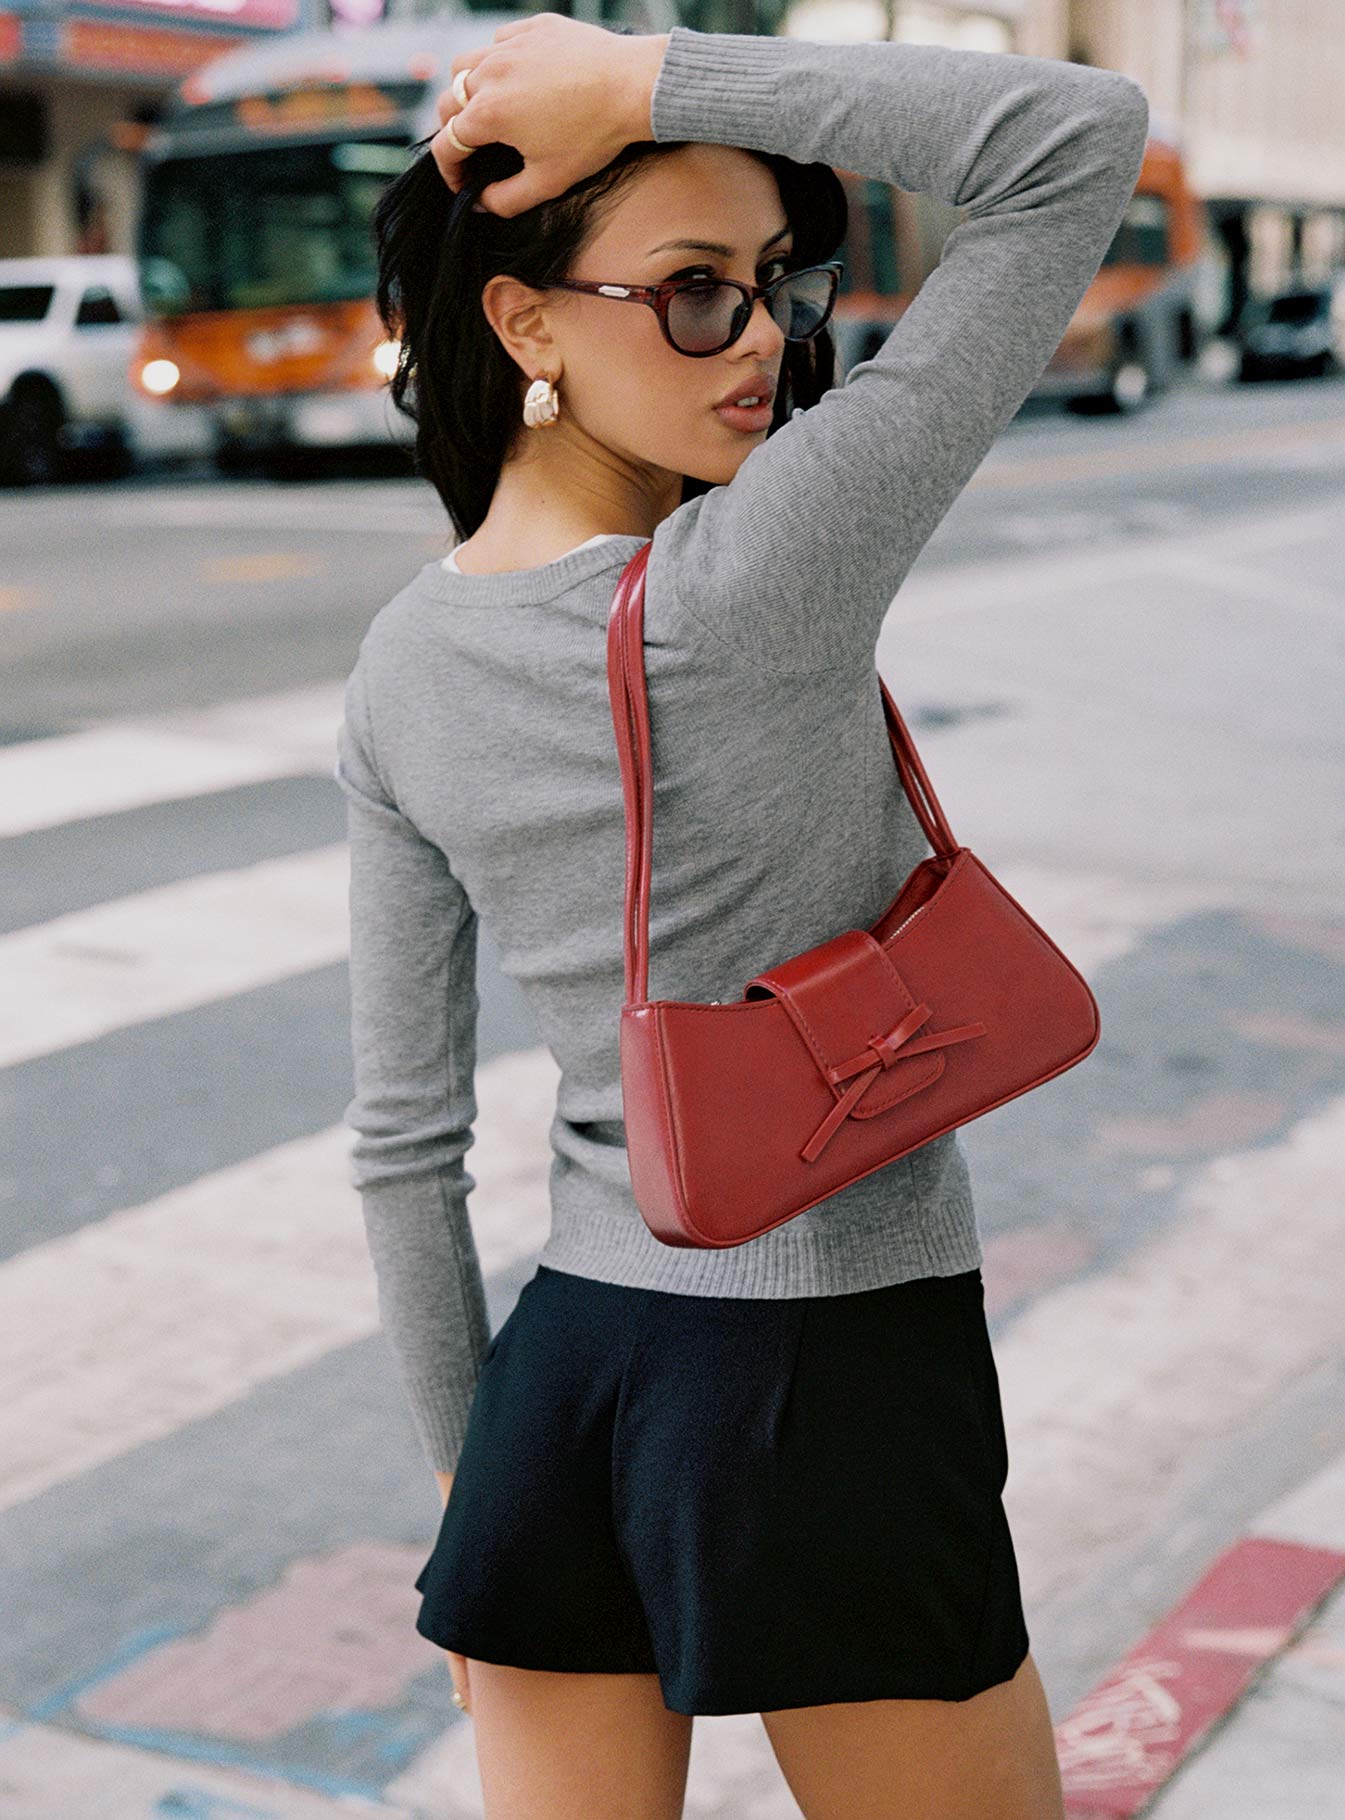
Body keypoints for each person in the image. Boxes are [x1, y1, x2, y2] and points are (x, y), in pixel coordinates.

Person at [335, 13, 1148, 1817]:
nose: (766, 343)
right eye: (695, 292)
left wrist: (481, 1502)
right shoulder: (758, 572)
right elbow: (1071, 135)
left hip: (561, 1388)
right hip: (830, 1364)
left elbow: (402, 1146)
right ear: (525, 323)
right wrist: (650, 81)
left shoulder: (398, 668)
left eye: (777, 284)